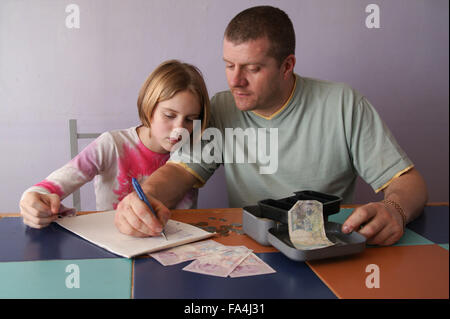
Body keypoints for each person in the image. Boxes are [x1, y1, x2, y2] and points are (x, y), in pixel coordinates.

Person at [116, 5, 428, 246]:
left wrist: (395, 209)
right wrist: (147, 195)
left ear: (287, 66)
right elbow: (180, 172)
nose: (235, 80)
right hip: (252, 246)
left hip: (325, 247)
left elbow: (409, 183)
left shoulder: (344, 104)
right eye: (228, 65)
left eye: (252, 69)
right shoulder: (222, 107)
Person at [19, 60, 210, 233]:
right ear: (148, 107)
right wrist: (32, 201)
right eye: (169, 115)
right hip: (117, 245)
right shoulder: (112, 144)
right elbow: (47, 188)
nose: (179, 129)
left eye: (190, 119)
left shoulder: (195, 149)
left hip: (178, 248)